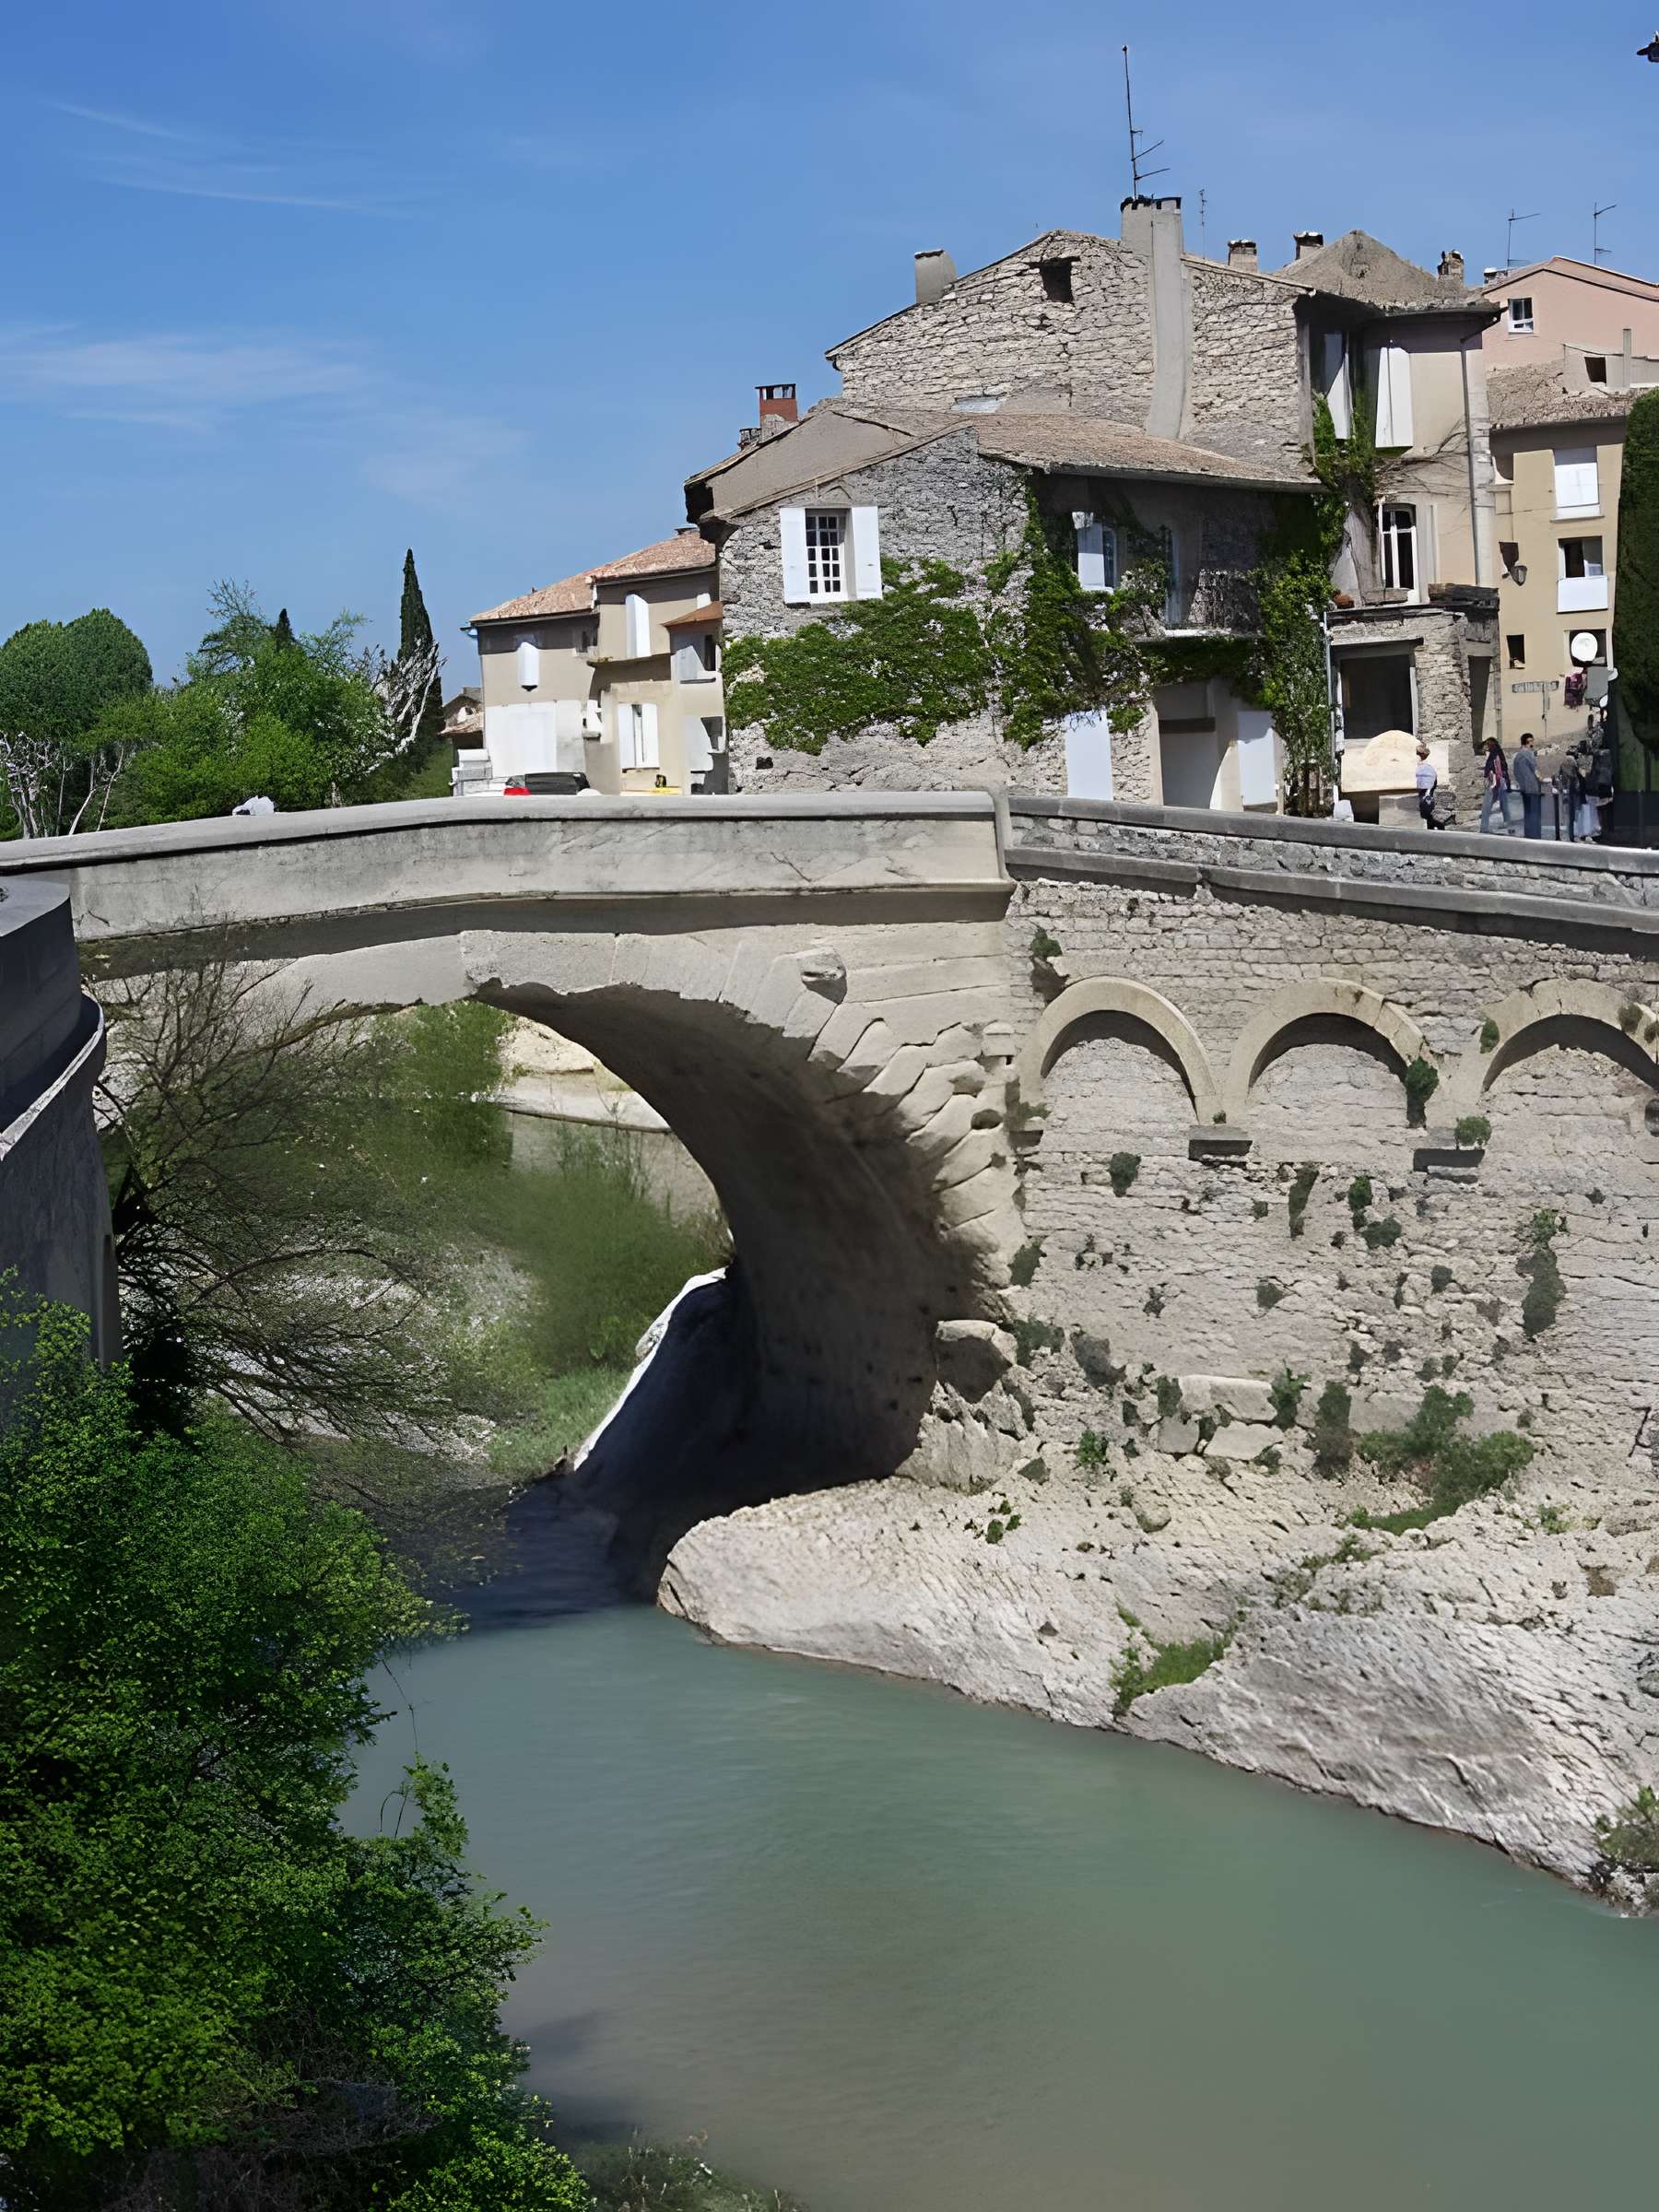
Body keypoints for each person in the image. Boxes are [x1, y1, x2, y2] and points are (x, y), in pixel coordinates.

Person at [1512, 732, 1545, 840]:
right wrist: (1542, 779)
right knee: (1535, 812)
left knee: (1527, 812)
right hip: (1533, 787)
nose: (1533, 744)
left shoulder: (1517, 756)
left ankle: (1529, 834)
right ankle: (1535, 835)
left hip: (1524, 788)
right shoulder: (1528, 754)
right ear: (1528, 742)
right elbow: (1535, 769)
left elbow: (1516, 773)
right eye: (1532, 741)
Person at [1478, 735, 1512, 834]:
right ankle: (1507, 822)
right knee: (1503, 801)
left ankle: (1484, 827)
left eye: (1486, 745)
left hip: (1494, 780)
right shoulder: (1500, 752)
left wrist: (1485, 777)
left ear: (1489, 744)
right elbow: (1504, 767)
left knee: (1487, 804)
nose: (1485, 748)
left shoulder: (1493, 753)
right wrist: (1508, 782)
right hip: (1502, 780)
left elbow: (1489, 766)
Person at [1414, 741, 1442, 829]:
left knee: (1425, 808)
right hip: (1424, 788)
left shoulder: (1425, 765)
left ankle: (1434, 825)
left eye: (1418, 754)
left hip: (1425, 789)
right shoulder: (1424, 764)